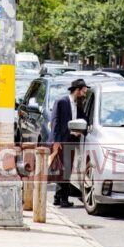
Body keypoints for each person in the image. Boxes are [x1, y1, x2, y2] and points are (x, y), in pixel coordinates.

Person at [48, 78, 89, 207]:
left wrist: (81, 131)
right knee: (64, 170)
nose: (84, 94)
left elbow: (83, 120)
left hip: (72, 140)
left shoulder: (79, 104)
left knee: (65, 170)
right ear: (77, 90)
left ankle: (57, 197)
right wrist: (56, 141)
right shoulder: (61, 102)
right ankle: (64, 200)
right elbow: (55, 122)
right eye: (83, 91)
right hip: (62, 141)